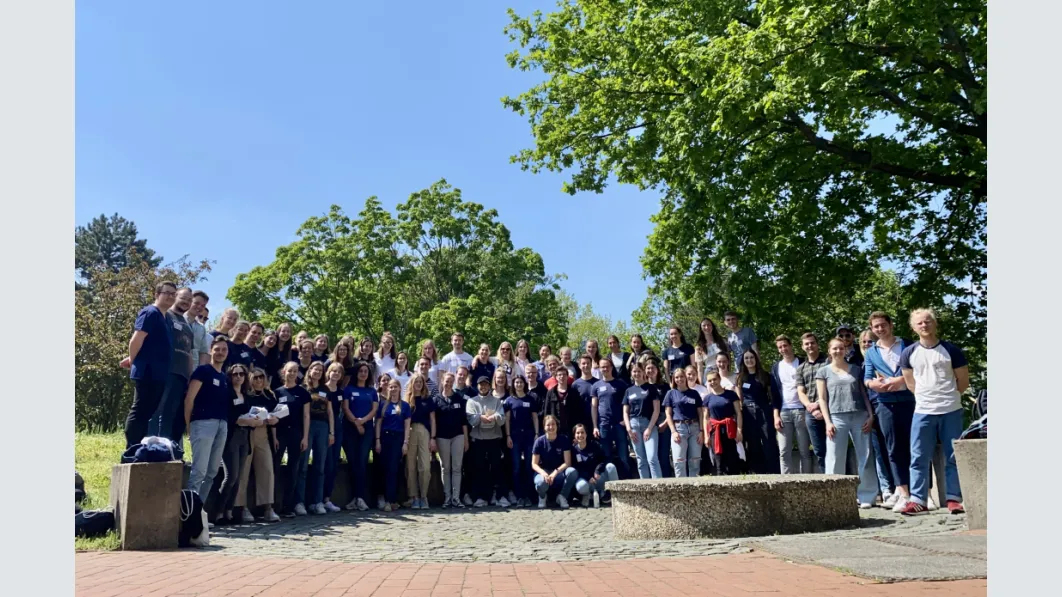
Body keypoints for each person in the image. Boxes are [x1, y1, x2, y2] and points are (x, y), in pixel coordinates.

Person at [897, 308, 969, 516]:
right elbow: (910, 383)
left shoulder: (951, 350)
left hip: (951, 410)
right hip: (923, 411)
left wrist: (948, 397)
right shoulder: (909, 353)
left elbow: (963, 381)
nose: (924, 325)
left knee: (953, 456)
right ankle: (918, 500)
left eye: (928, 321)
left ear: (935, 323)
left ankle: (954, 499)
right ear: (913, 327)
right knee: (918, 457)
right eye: (919, 323)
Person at [864, 311, 918, 512]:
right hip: (885, 405)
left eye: (882, 325)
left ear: (891, 324)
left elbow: (919, 371)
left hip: (911, 402)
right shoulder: (871, 352)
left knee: (917, 447)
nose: (880, 329)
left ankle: (923, 492)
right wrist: (873, 384)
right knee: (893, 450)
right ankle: (903, 493)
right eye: (875, 326)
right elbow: (867, 377)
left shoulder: (909, 345)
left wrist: (901, 380)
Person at [816, 338, 879, 508]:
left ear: (846, 350)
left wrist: (870, 416)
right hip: (836, 418)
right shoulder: (823, 372)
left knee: (865, 456)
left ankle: (867, 496)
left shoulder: (857, 370)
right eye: (834, 348)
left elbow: (865, 394)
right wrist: (827, 422)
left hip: (860, 416)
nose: (838, 351)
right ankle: (835, 497)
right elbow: (822, 399)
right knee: (835, 458)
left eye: (841, 348)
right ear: (829, 351)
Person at [120, 280, 177, 448]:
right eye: (166, 293)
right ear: (157, 294)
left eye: (173, 294)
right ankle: (132, 448)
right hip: (148, 372)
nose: (170, 297)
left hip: (160, 374)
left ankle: (139, 447)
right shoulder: (150, 312)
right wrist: (132, 359)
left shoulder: (165, 317)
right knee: (140, 410)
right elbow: (137, 339)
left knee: (147, 413)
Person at [183, 336, 229, 502]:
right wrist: (188, 426)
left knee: (212, 472)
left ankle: (198, 511)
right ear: (211, 351)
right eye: (217, 349)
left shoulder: (224, 377)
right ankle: (189, 513)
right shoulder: (202, 371)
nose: (220, 353)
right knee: (199, 470)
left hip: (222, 425)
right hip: (202, 424)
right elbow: (189, 399)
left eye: (224, 350)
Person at [150, 287, 196, 443]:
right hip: (164, 372)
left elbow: (189, 353)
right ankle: (150, 448)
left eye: (190, 300)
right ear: (175, 297)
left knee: (172, 415)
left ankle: (167, 450)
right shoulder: (165, 315)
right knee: (157, 412)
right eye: (183, 298)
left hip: (181, 376)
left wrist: (190, 377)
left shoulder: (188, 325)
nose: (186, 302)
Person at [235, 368, 280, 523]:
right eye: (255, 378)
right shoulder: (246, 395)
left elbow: (275, 415)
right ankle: (242, 507)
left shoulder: (270, 395)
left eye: (262, 377)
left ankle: (268, 507)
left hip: (264, 434)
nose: (259, 380)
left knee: (267, 469)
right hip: (247, 432)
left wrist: (274, 428)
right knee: (244, 470)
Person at [216, 364, 256, 524]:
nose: (238, 377)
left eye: (241, 374)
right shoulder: (227, 393)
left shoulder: (246, 395)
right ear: (230, 376)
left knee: (238, 477)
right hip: (230, 437)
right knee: (230, 476)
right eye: (235, 374)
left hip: (244, 437)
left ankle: (229, 512)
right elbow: (230, 416)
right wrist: (244, 420)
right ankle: (218, 511)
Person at [860, 329, 895, 506]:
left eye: (870, 341)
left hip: (886, 406)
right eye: (864, 342)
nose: (867, 345)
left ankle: (898, 488)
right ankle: (886, 489)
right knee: (879, 451)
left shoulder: (881, 361)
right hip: (869, 412)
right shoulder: (860, 365)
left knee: (892, 448)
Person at [273, 362, 311, 517]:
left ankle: (289, 506)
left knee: (293, 469)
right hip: (280, 434)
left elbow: (306, 416)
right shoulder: (277, 392)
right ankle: (274, 506)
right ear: (284, 372)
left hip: (296, 433)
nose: (292, 373)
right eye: (290, 371)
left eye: (295, 371)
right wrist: (274, 436)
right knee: (275, 468)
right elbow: (273, 415)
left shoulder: (303, 393)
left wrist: (305, 437)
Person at [735, 349, 781, 474]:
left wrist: (775, 413)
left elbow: (774, 397)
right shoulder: (740, 378)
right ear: (743, 361)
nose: (749, 360)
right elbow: (739, 397)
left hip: (764, 412)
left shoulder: (766, 376)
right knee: (753, 444)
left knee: (769, 442)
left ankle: (774, 473)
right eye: (746, 358)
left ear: (756, 359)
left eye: (751, 357)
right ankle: (757, 473)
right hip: (748, 414)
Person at [771, 336, 811, 475]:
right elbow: (774, 394)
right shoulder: (776, 367)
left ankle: (807, 481)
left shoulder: (802, 362)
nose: (783, 349)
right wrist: (776, 416)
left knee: (804, 450)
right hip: (784, 411)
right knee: (784, 451)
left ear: (791, 345)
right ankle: (786, 483)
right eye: (780, 347)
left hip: (801, 410)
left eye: (785, 346)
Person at [341, 361, 378, 511]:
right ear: (356, 373)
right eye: (361, 371)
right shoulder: (349, 389)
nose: (363, 373)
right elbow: (345, 407)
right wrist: (356, 423)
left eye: (366, 371)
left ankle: (361, 497)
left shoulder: (372, 391)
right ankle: (353, 498)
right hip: (350, 429)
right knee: (352, 462)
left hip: (367, 429)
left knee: (362, 462)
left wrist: (363, 421)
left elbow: (374, 409)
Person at [466, 374, 505, 508]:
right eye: (481, 384)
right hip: (478, 439)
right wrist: (480, 418)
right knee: (479, 469)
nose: (483, 387)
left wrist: (495, 416)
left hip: (494, 438)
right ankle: (480, 497)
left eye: (486, 384)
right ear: (477, 386)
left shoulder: (497, 401)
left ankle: (497, 496)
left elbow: (502, 418)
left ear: (490, 386)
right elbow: (471, 419)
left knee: (496, 468)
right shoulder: (472, 401)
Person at [301, 361, 333, 515]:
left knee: (320, 466)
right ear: (310, 370)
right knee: (303, 466)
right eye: (315, 369)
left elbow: (330, 412)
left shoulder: (325, 389)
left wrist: (331, 432)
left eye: (321, 370)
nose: (318, 372)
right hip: (307, 426)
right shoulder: (304, 388)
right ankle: (300, 501)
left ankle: (317, 501)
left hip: (323, 426)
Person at [434, 372, 470, 509]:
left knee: (456, 467)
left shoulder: (459, 399)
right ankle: (447, 498)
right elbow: (434, 421)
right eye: (446, 381)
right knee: (445, 467)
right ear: (442, 381)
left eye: (451, 381)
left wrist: (466, 439)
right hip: (442, 437)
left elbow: (463, 421)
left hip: (458, 436)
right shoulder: (436, 399)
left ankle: (456, 498)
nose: (448, 384)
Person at [504, 374, 540, 508]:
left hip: (529, 436)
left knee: (529, 466)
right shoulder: (509, 400)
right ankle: (519, 496)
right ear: (513, 385)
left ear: (524, 384)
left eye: (520, 382)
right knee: (517, 467)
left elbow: (535, 417)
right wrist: (507, 435)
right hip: (515, 436)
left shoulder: (531, 399)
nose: (518, 385)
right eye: (516, 382)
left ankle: (530, 496)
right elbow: (507, 419)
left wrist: (537, 433)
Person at [591, 358, 630, 478]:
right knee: (606, 456)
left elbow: (628, 403)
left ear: (611, 367)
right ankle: (609, 486)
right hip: (603, 425)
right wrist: (595, 426)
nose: (605, 369)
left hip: (619, 424)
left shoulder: (621, 384)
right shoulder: (596, 385)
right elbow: (594, 407)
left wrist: (626, 420)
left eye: (607, 366)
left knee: (623, 456)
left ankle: (627, 482)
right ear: (599, 368)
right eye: (602, 367)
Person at [375, 379, 410, 512]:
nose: (393, 389)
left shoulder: (405, 406)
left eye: (395, 387)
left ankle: (391, 500)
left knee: (393, 469)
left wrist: (405, 443)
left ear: (400, 389)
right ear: (387, 389)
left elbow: (407, 426)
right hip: (384, 438)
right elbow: (378, 423)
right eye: (390, 387)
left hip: (398, 439)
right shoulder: (383, 405)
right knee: (384, 468)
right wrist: (377, 440)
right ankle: (388, 498)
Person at [796, 333, 829, 472]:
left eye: (812, 343)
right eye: (807, 344)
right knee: (819, 450)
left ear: (817, 344)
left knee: (835, 448)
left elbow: (831, 386)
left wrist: (818, 403)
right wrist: (811, 406)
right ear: (803, 347)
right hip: (811, 413)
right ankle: (827, 482)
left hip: (829, 409)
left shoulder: (828, 362)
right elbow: (800, 392)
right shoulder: (801, 368)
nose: (810, 346)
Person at [623, 361, 661, 479]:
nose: (637, 373)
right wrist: (629, 429)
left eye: (639, 371)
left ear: (643, 372)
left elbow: (656, 410)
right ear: (631, 373)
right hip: (634, 425)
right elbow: (625, 412)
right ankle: (645, 488)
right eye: (634, 371)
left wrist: (649, 428)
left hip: (649, 424)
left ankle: (659, 487)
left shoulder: (651, 388)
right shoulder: (629, 390)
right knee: (640, 459)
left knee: (652, 458)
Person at [404, 373, 437, 510]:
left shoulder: (428, 400)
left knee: (425, 466)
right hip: (410, 431)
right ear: (412, 383)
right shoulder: (407, 400)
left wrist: (433, 438)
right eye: (416, 381)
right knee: (410, 466)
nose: (418, 384)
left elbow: (433, 420)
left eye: (420, 382)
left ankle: (424, 496)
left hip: (424, 431)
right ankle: (414, 497)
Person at [663, 368, 703, 477]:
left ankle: (694, 487)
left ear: (685, 377)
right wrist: (673, 431)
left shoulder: (694, 393)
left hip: (695, 428)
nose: (679, 379)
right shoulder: (670, 393)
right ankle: (681, 489)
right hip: (679, 428)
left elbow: (700, 413)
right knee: (679, 461)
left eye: (681, 376)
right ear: (673, 379)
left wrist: (701, 431)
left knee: (695, 460)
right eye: (676, 377)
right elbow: (668, 415)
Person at [702, 370, 743, 475]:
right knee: (718, 461)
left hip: (730, 430)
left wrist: (739, 430)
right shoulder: (707, 398)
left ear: (719, 379)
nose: (712, 382)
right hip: (715, 432)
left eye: (714, 379)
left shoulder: (731, 395)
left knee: (732, 459)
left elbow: (738, 413)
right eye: (709, 381)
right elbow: (706, 418)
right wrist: (706, 436)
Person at [317, 363, 346, 513]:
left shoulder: (341, 392)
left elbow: (344, 409)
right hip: (324, 426)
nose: (335, 374)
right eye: (333, 371)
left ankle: (327, 498)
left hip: (338, 427)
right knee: (324, 463)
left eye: (338, 372)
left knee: (333, 464)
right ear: (328, 372)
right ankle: (318, 498)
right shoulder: (322, 390)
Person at [531, 415, 577, 509]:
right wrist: (544, 474)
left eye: (553, 424)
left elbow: (567, 462)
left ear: (557, 426)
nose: (551, 427)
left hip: (558, 473)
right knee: (540, 483)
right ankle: (542, 497)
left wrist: (555, 473)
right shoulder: (539, 442)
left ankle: (562, 496)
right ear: (544, 427)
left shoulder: (563, 440)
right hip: (543, 472)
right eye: (548, 425)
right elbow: (534, 464)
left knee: (572, 471)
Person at [571, 424, 617, 507]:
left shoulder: (594, 445)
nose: (580, 435)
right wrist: (588, 477)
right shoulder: (573, 450)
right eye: (577, 433)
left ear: (586, 434)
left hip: (598, 477)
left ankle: (615, 495)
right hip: (586, 480)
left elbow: (604, 459)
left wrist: (597, 470)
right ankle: (590, 495)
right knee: (581, 487)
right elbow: (577, 468)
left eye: (582, 432)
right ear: (574, 435)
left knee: (611, 466)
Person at [644, 357, 673, 478]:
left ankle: (666, 481)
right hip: (648, 423)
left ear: (657, 370)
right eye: (648, 368)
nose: (650, 370)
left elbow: (671, 406)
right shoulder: (643, 386)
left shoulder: (665, 387)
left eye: (652, 368)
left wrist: (666, 422)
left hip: (663, 421)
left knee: (663, 454)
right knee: (651, 456)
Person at [542, 366, 587, 436]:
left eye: (564, 374)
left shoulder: (574, 392)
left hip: (571, 429)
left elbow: (579, 412)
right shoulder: (551, 393)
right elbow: (547, 412)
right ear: (556, 377)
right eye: (559, 375)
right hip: (555, 429)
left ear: (567, 376)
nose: (562, 377)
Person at [572, 355, 599, 429]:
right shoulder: (575, 384)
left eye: (588, 363)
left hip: (598, 420)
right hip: (581, 421)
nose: (586, 365)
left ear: (591, 364)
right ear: (579, 366)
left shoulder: (598, 383)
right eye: (583, 363)